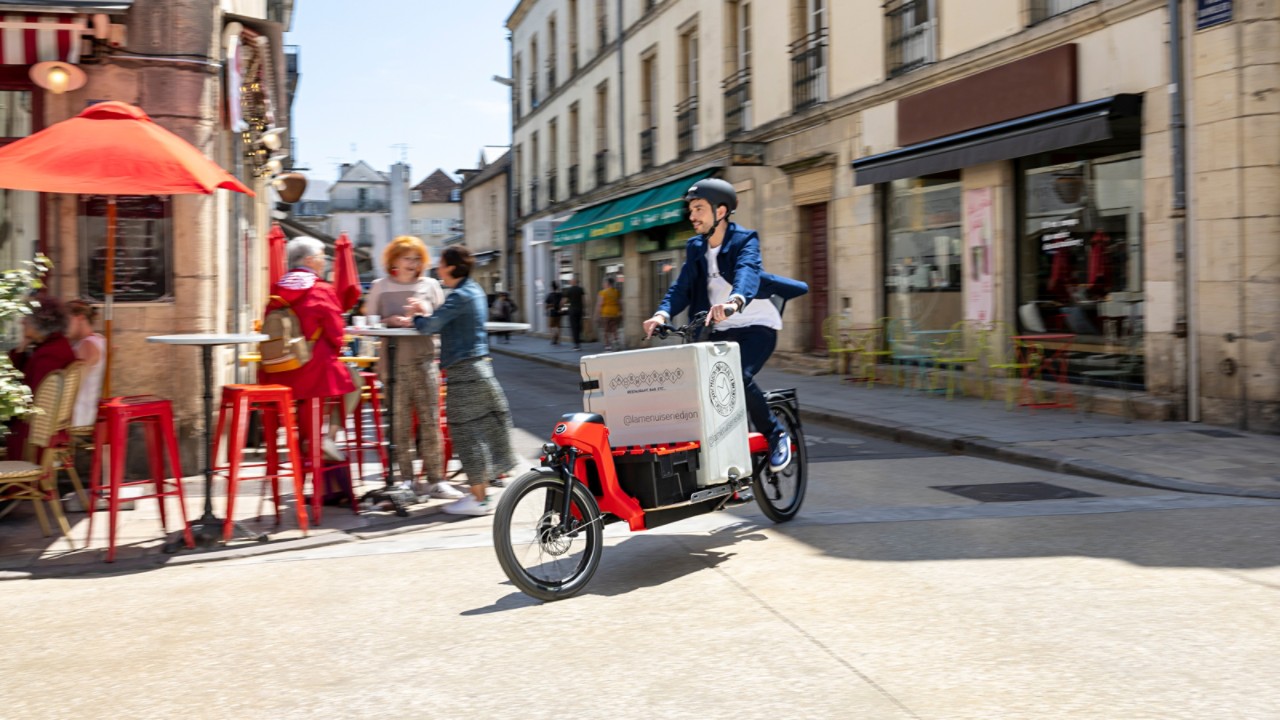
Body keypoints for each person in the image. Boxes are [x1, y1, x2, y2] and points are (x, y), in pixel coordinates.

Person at [642, 178, 808, 474]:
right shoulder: (695, 247)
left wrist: (734, 302)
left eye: (699, 209)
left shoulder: (744, 240)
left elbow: (747, 272)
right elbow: (681, 287)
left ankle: (775, 433)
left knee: (736, 376)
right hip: (719, 329)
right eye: (691, 209)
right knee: (697, 387)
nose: (692, 216)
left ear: (720, 211)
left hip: (756, 324)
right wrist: (661, 315)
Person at [409, 246, 520, 516]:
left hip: (465, 373)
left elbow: (429, 326)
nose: (437, 268)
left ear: (453, 267)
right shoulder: (475, 290)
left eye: (441, 263)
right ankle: (479, 495)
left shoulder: (459, 295)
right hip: (479, 369)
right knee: (479, 432)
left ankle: (478, 498)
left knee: (466, 434)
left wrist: (417, 314)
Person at [361, 236, 460, 501]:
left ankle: (436, 480)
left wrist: (425, 312)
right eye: (408, 258)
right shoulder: (380, 286)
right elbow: (366, 323)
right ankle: (405, 480)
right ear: (394, 259)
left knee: (430, 422)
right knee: (399, 424)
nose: (413, 263)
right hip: (393, 363)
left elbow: (443, 319)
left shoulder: (430, 285)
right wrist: (387, 321)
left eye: (417, 259)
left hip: (425, 359)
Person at [263, 237, 356, 465]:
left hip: (279, 370)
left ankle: (308, 446)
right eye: (323, 257)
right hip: (315, 369)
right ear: (309, 260)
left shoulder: (278, 289)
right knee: (354, 381)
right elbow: (336, 332)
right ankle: (326, 439)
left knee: (308, 402)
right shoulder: (321, 289)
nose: (325, 262)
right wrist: (338, 348)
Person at [5, 297, 76, 459]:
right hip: (42, 428)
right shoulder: (54, 345)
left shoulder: (47, 355)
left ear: (38, 322)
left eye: (26, 319)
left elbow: (31, 396)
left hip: (32, 433)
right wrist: (22, 347)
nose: (22, 322)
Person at [65, 300, 106, 429]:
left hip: (78, 415)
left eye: (67, 321)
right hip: (85, 412)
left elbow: (73, 384)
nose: (64, 327)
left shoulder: (87, 344)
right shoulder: (99, 339)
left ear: (80, 318)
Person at [594, 276, 622, 351]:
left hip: (605, 313)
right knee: (614, 329)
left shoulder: (602, 292)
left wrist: (597, 315)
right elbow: (620, 303)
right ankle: (616, 343)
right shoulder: (616, 292)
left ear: (607, 283)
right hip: (615, 313)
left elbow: (599, 304)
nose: (603, 284)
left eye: (604, 283)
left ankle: (607, 345)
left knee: (606, 330)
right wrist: (621, 311)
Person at [563, 275, 586, 350]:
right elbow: (583, 300)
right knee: (578, 326)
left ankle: (576, 345)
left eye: (570, 281)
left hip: (572, 310)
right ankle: (578, 342)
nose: (570, 282)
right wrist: (584, 309)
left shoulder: (569, 290)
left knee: (573, 327)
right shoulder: (580, 289)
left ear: (573, 281)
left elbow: (565, 301)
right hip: (579, 309)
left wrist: (560, 306)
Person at [543, 281, 563, 345]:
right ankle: (558, 339)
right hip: (559, 312)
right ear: (557, 287)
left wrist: (546, 310)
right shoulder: (560, 294)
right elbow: (562, 302)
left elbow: (546, 305)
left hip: (552, 312)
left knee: (551, 326)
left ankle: (553, 337)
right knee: (558, 326)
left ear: (552, 287)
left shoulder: (550, 295)